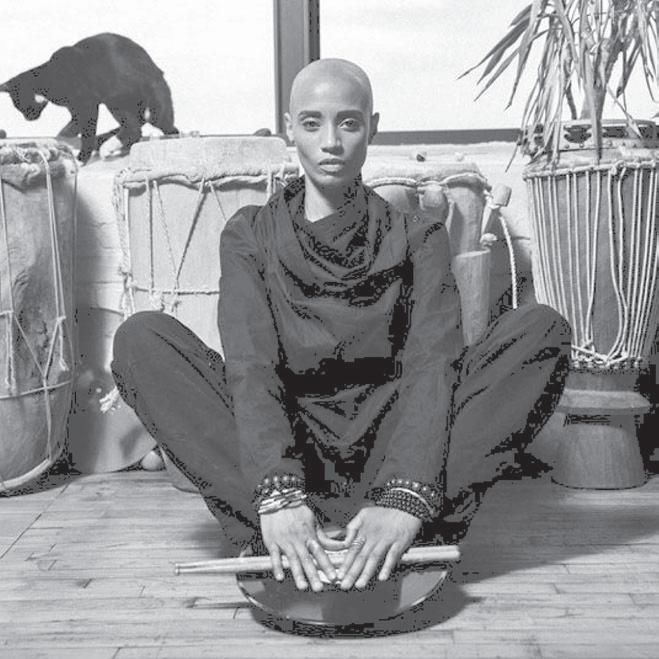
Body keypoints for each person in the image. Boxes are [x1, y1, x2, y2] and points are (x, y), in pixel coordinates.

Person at [111, 58, 571, 594]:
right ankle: (285, 526)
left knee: (541, 331)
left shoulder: (419, 236)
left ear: (372, 128)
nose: (331, 141)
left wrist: (403, 495)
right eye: (312, 123)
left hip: (401, 455)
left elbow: (431, 368)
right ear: (290, 129)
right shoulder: (250, 234)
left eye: (348, 123)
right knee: (141, 339)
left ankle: (401, 523)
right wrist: (279, 496)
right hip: (286, 460)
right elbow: (251, 367)